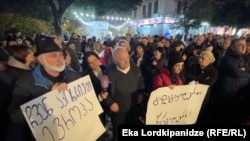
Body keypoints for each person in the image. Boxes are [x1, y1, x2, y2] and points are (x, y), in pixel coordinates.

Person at [6, 36, 82, 141]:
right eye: (53, 56)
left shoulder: (74, 76)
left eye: (61, 54)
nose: (60, 59)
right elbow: (15, 116)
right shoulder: (25, 83)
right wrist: (48, 96)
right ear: (41, 60)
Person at [104, 47, 145, 141]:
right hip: (118, 113)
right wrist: (110, 103)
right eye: (122, 59)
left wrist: (140, 93)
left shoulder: (136, 70)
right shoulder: (109, 73)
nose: (126, 61)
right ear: (115, 60)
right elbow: (104, 92)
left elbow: (141, 84)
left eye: (127, 57)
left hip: (133, 110)